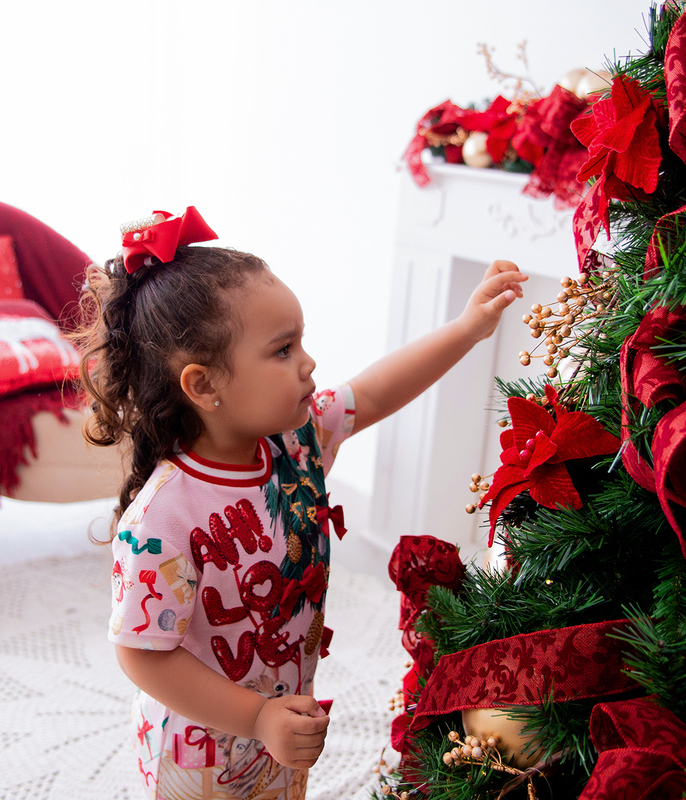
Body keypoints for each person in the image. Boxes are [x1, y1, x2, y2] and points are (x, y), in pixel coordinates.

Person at [74, 207, 526, 800]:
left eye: (301, 343)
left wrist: (467, 328)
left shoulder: (296, 442)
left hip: (281, 733)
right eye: (283, 350)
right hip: (197, 761)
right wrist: (255, 718)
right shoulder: (161, 520)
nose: (308, 363)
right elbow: (142, 655)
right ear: (204, 386)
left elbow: (375, 389)